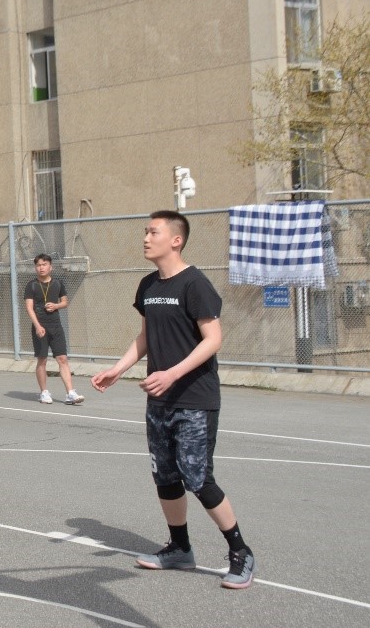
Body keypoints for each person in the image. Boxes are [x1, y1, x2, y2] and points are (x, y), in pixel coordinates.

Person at [91, 210, 256, 590]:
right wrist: (118, 369)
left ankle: (241, 551)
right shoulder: (148, 285)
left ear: (176, 240)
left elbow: (213, 340)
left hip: (195, 399)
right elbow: (145, 338)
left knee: (197, 477)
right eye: (145, 232)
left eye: (154, 232)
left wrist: (172, 373)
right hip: (159, 400)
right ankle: (180, 548)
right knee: (165, 475)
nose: (146, 238)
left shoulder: (195, 284)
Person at [24, 254, 83, 405]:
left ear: (51, 267)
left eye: (44, 264)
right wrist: (37, 326)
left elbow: (65, 302)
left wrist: (56, 306)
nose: (41, 268)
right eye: (38, 265)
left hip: (56, 326)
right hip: (40, 327)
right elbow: (29, 308)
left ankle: (70, 393)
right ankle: (44, 392)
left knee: (62, 358)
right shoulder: (31, 285)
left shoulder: (58, 283)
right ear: (35, 268)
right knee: (42, 360)